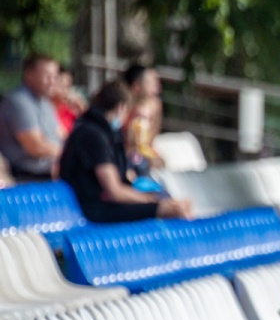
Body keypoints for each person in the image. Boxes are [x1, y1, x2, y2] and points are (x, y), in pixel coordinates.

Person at [59, 80, 192, 223]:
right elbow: (114, 191)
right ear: (120, 107)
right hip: (92, 209)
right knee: (167, 210)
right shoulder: (94, 135)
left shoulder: (96, 130)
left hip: (93, 204)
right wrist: (153, 202)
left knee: (169, 205)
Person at [0, 54, 63, 181]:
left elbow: (60, 134)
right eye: (47, 76)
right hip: (25, 178)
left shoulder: (45, 102)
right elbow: (35, 147)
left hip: (49, 174)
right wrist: (71, 153)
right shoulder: (18, 102)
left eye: (55, 76)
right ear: (29, 75)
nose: (52, 81)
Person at [50, 66, 87, 136]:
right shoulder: (44, 109)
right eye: (62, 85)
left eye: (67, 86)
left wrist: (82, 108)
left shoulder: (70, 112)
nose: (65, 91)